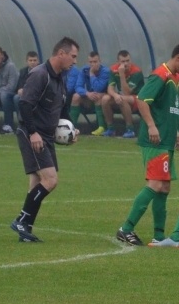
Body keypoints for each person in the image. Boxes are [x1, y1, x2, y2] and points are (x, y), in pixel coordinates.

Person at [115, 42, 179, 246]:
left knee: (164, 187)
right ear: (178, 57)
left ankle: (159, 236)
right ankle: (125, 229)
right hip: (155, 141)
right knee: (155, 184)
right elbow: (142, 100)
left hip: (167, 141)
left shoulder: (177, 79)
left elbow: (175, 108)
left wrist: (178, 131)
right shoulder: (160, 75)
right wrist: (152, 126)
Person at [10, 37, 80, 242]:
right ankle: (21, 219)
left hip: (46, 137)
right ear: (61, 54)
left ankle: (25, 230)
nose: (75, 61)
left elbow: (63, 109)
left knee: (36, 183)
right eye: (73, 56)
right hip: (32, 134)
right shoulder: (40, 74)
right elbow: (24, 104)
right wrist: (33, 132)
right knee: (50, 180)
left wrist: (71, 130)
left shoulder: (60, 78)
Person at [99, 50, 145, 138]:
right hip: (123, 96)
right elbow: (110, 89)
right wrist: (115, 95)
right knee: (105, 99)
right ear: (118, 62)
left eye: (128, 60)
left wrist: (122, 75)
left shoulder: (136, 71)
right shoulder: (113, 69)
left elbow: (127, 92)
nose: (126, 63)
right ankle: (110, 129)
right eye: (123, 61)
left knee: (123, 99)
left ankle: (130, 129)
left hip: (139, 98)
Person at [69, 51, 111, 135]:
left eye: (95, 62)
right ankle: (71, 127)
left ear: (100, 61)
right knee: (76, 96)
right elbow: (78, 86)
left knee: (97, 95)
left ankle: (101, 127)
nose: (92, 64)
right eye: (90, 62)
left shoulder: (105, 71)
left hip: (104, 100)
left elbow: (98, 88)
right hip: (90, 97)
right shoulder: (84, 70)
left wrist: (91, 74)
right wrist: (87, 93)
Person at [14, 51, 40, 118]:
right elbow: (19, 85)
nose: (32, 62)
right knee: (16, 98)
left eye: (34, 60)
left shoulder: (42, 71)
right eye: (30, 60)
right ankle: (21, 120)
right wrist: (20, 89)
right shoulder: (23, 71)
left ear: (38, 61)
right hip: (25, 94)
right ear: (27, 62)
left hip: (37, 95)